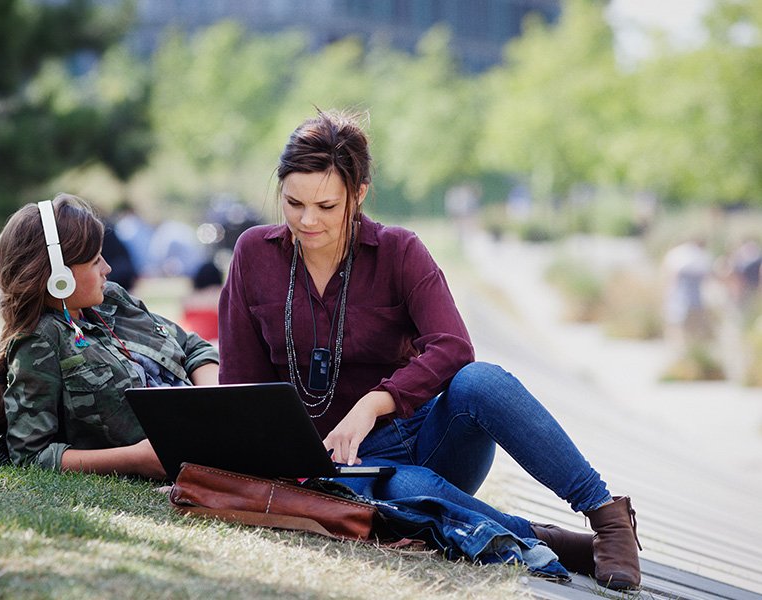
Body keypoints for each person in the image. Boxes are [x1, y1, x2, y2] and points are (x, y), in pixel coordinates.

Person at [218, 110, 642, 590]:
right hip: (335, 469)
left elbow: (453, 346)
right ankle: (563, 545)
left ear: (359, 195)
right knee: (410, 492)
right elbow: (242, 384)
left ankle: (607, 518)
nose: (307, 220)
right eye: (294, 203)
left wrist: (373, 404)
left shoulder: (399, 251)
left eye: (327, 206)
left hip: (426, 437)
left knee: (481, 381)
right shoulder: (254, 254)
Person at [0, 193, 219, 479]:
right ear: (59, 278)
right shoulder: (39, 341)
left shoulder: (111, 299)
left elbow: (193, 348)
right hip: (188, 457)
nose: (107, 268)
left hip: (215, 430)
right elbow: (31, 455)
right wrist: (135, 460)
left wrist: (214, 400)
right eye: (95, 262)